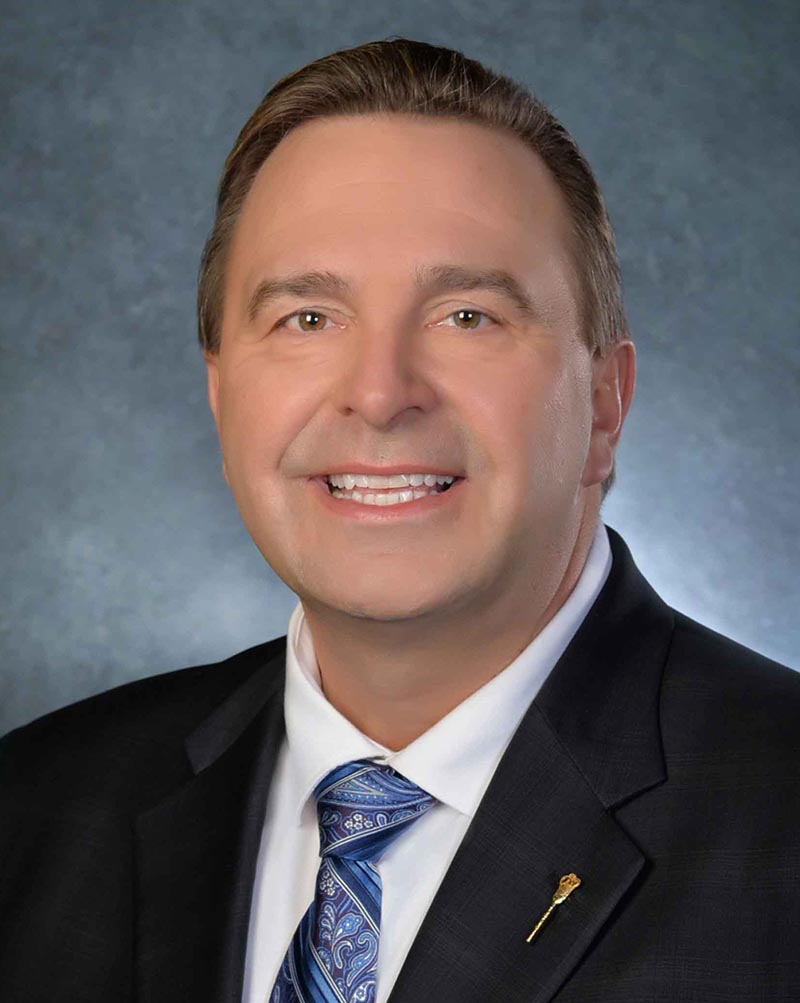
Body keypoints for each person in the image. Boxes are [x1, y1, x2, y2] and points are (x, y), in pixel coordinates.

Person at [1, 37, 798, 1003]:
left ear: (603, 405)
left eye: (467, 316)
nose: (380, 396)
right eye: (307, 319)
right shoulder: (36, 809)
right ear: (222, 398)